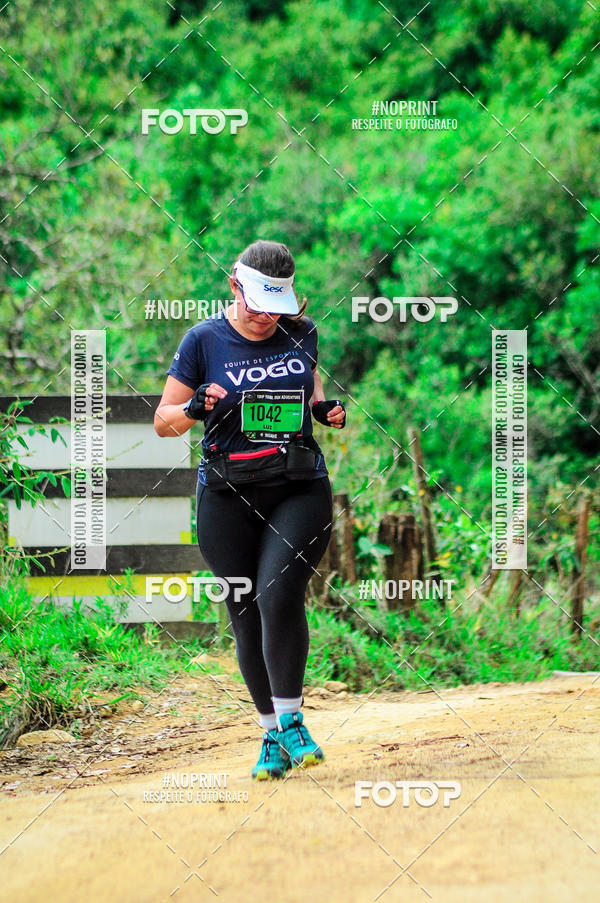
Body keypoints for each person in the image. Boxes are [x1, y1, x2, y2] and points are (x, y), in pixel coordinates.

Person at [154, 239, 346, 780]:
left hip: (298, 486)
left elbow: (311, 392)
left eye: (276, 307)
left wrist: (324, 410)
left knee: (278, 593)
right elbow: (164, 421)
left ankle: (293, 721)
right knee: (243, 609)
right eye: (257, 305)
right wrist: (194, 407)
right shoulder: (202, 340)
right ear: (234, 287)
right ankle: (271, 735)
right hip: (226, 495)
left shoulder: (302, 333)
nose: (266, 317)